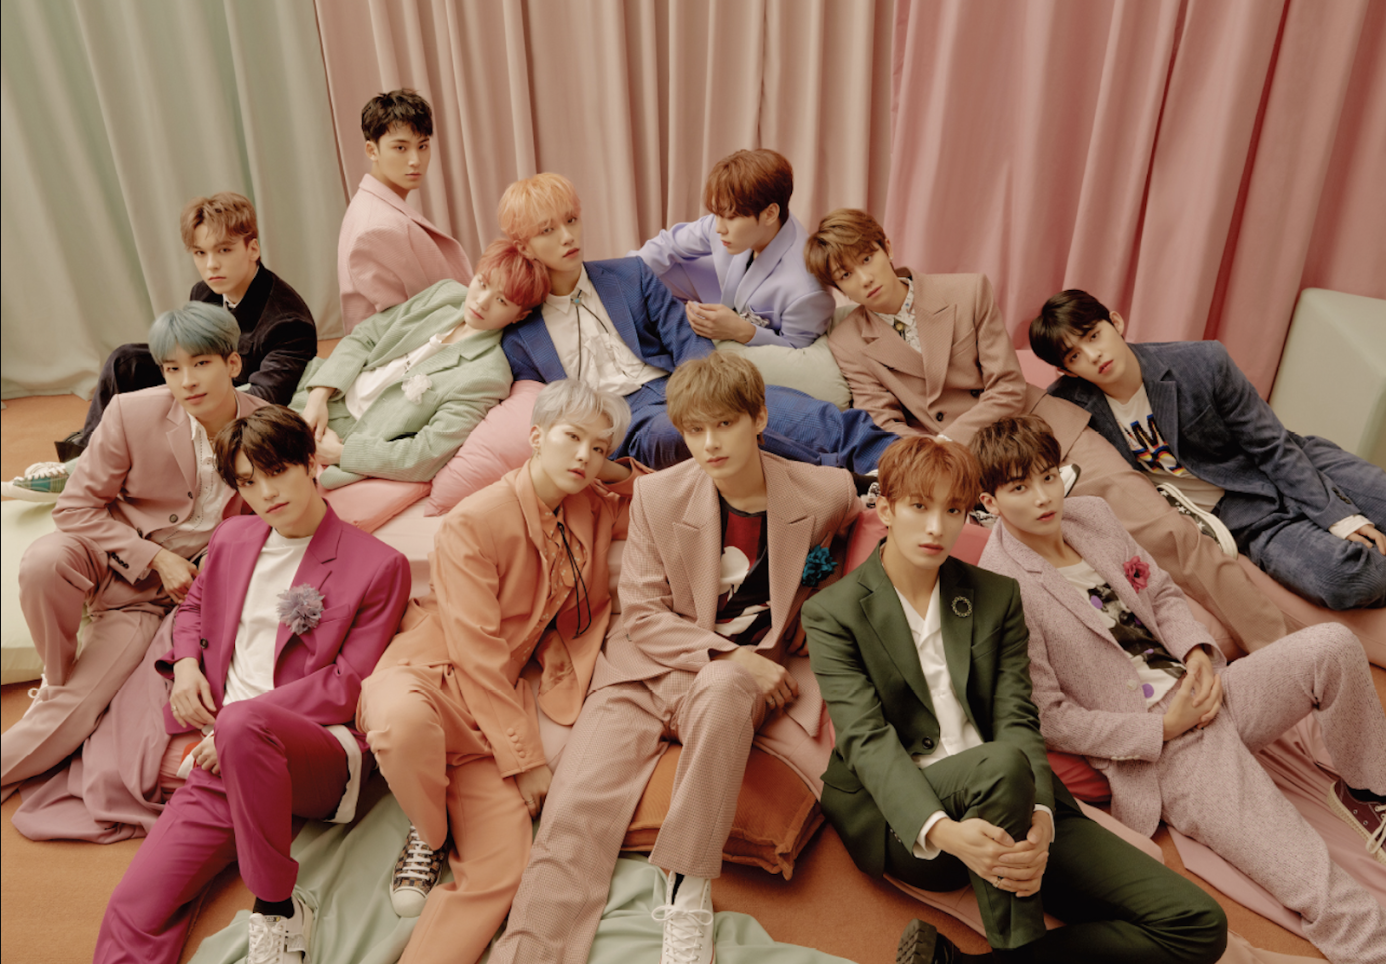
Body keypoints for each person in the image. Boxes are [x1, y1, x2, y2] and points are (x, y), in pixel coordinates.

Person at [489, 352, 860, 964]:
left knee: (725, 687)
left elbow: (856, 537)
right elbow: (641, 615)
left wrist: (814, 604)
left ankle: (687, 889)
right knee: (574, 812)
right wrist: (736, 657)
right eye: (694, 430)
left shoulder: (827, 493)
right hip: (640, 673)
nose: (709, 444)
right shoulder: (658, 495)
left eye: (724, 425)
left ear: (759, 418)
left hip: (723, 691)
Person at [802, 435, 1229, 964]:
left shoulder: (995, 596)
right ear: (886, 509)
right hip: (908, 817)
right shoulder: (833, 614)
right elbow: (866, 740)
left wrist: (1042, 820)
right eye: (919, 507)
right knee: (999, 765)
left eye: (952, 510)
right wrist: (948, 834)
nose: (937, 527)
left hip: (1018, 798)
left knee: (1198, 924)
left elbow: (1016, 717)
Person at [974, 415, 1386, 963]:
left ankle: (1371, 790)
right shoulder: (1001, 587)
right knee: (1300, 860)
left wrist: (1195, 653)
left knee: (1332, 645)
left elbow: (1163, 593)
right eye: (1020, 488)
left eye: (1048, 477)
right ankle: (1370, 946)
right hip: (1163, 752)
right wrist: (1161, 729)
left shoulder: (1091, 514)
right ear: (991, 501)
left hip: (1210, 690)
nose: (1043, 497)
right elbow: (1049, 716)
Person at [805, 207, 1290, 652]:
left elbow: (1006, 386)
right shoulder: (848, 341)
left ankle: (1283, 647)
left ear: (886, 247)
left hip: (1048, 435)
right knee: (1079, 576)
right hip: (983, 476)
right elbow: (884, 424)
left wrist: (948, 441)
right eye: (845, 275)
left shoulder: (967, 291)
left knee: (1168, 533)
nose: (864, 278)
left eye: (867, 258)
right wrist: (944, 462)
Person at [93, 405, 411, 964]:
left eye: (277, 471)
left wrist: (240, 724)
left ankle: (278, 908)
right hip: (223, 760)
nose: (266, 493)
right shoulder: (233, 537)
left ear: (311, 462)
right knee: (132, 909)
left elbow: (346, 684)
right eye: (247, 481)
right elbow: (193, 607)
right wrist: (186, 665)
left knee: (241, 721)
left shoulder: (379, 565)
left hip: (317, 752)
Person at [357, 379, 648, 964]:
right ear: (536, 437)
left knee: (505, 869)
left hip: (489, 712)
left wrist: (605, 468)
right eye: (571, 438)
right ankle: (430, 829)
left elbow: (656, 493)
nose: (584, 457)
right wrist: (526, 760)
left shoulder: (590, 504)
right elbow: (476, 652)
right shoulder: (473, 521)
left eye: (598, 447)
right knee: (402, 725)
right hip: (429, 678)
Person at [1, 303, 269, 795]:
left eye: (200, 364)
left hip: (163, 600)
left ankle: (59, 703)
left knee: (77, 709)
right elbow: (75, 507)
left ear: (233, 363)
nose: (187, 381)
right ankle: (56, 674)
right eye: (172, 369)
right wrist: (156, 558)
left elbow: (281, 519)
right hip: (108, 555)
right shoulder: (131, 412)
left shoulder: (268, 426)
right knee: (42, 561)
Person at [497, 172, 896, 473]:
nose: (568, 237)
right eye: (548, 230)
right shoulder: (520, 334)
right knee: (700, 434)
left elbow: (683, 338)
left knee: (788, 410)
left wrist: (708, 391)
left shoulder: (630, 275)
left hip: (682, 387)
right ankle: (839, 473)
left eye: (571, 220)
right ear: (523, 246)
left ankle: (899, 460)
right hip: (629, 423)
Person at [1029, 289, 1386, 611]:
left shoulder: (1202, 362)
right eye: (1075, 355)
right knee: (1346, 579)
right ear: (1066, 370)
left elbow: (1269, 443)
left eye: (1094, 335)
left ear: (1116, 322)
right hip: (1240, 515)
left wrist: (1339, 517)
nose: (1094, 355)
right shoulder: (1068, 410)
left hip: (1297, 461)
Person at [6, 192, 315, 497]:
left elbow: (265, 399)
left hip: (235, 406)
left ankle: (85, 469)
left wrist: (168, 399)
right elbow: (184, 353)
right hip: (204, 379)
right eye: (200, 253)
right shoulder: (205, 293)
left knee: (155, 401)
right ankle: (84, 457)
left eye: (224, 250)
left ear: (253, 249)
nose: (211, 265)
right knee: (126, 361)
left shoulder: (287, 322)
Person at [292, 239, 545, 488]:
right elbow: (365, 336)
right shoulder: (444, 294)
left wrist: (340, 453)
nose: (482, 301)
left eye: (501, 301)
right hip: (321, 395)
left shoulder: (488, 375)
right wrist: (318, 398)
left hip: (349, 440)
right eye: (482, 283)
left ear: (519, 316)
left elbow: (425, 454)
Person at [632, 148, 834, 349]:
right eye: (717, 214)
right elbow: (668, 245)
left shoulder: (807, 291)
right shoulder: (727, 222)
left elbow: (796, 351)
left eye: (731, 217)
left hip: (749, 336)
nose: (719, 228)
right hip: (721, 294)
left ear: (770, 214)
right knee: (645, 271)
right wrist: (625, 276)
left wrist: (742, 330)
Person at [338, 88, 474, 333]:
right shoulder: (376, 227)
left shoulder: (375, 205)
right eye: (400, 148)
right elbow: (409, 323)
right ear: (372, 151)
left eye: (422, 146)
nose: (415, 160)